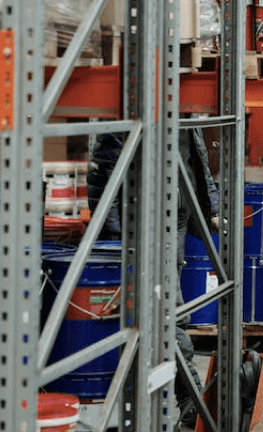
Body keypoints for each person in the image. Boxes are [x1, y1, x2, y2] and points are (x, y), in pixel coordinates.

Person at [87, 128, 218, 430]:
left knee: (170, 313)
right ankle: (191, 399)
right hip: (147, 220)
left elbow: (194, 156)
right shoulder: (134, 96)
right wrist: (110, 231)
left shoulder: (185, 104)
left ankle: (188, 400)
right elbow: (102, 167)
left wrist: (210, 207)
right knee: (167, 314)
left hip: (178, 218)